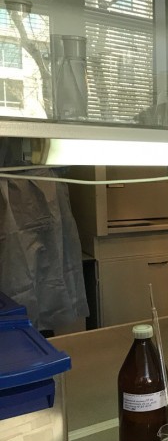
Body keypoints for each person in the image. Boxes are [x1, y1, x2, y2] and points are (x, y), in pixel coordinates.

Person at [0, 138, 89, 335]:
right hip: (9, 195)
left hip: (46, 190)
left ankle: (40, 342)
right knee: (13, 284)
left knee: (49, 280)